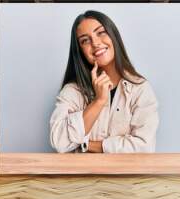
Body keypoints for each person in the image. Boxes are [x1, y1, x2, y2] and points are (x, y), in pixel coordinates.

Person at [49, 10, 159, 153]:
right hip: (83, 175)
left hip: (125, 175)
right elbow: (59, 142)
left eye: (100, 32)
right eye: (85, 40)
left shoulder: (140, 89)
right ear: (80, 51)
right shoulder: (73, 91)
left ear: (113, 36)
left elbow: (144, 147)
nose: (95, 43)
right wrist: (99, 101)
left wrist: (87, 144)